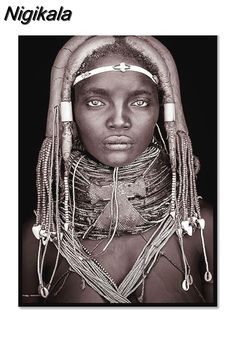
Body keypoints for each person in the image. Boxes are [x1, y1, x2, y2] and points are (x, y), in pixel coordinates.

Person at [21, 36, 214, 305]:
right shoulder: (40, 239)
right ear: (70, 114)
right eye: (96, 102)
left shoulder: (205, 231)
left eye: (139, 102)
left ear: (161, 111)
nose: (119, 121)